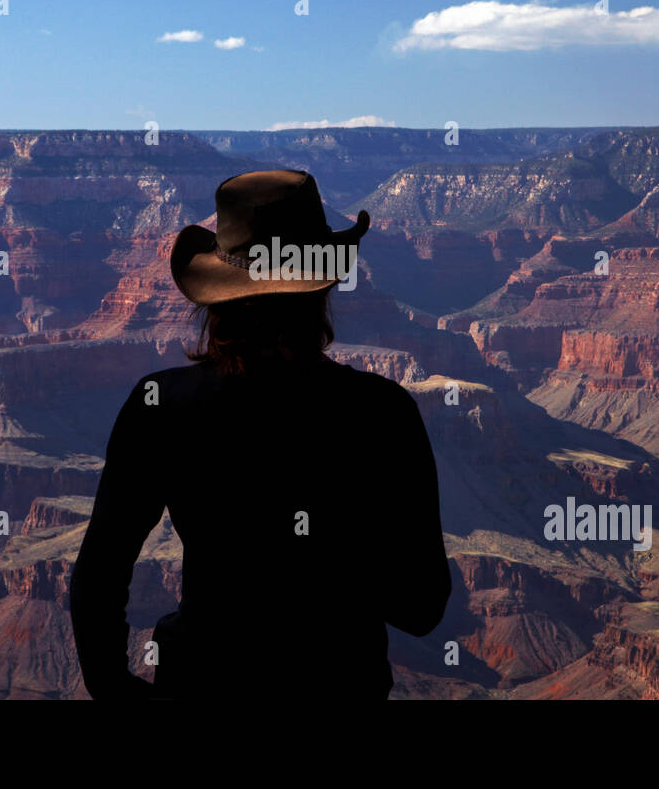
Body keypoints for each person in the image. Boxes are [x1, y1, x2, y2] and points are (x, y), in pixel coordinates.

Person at [69, 169, 451, 699]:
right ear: (322, 285)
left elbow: (98, 576)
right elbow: (422, 607)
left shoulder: (160, 406)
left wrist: (115, 690)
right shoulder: (383, 411)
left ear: (218, 296)